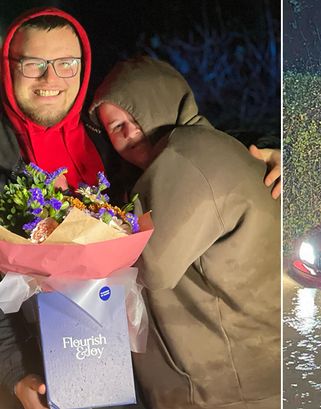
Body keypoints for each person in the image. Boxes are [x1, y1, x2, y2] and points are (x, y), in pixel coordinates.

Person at [0, 7, 280, 409]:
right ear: (9, 67)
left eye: (65, 64)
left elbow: (188, 143)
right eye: (33, 64)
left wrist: (277, 153)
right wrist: (13, 373)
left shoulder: (104, 144)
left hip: (142, 377)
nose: (50, 78)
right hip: (39, 379)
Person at [89, 56, 280, 409]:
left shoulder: (188, 155)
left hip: (225, 390)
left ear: (164, 100)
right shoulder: (200, 151)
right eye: (116, 127)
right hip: (229, 382)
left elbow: (151, 265)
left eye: (137, 114)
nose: (131, 132)